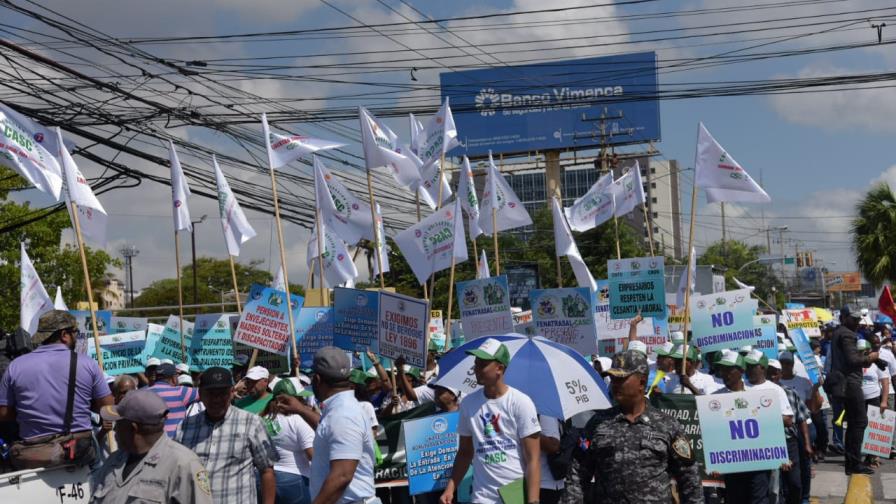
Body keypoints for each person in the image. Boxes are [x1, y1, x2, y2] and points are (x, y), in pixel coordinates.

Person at [563, 349, 703, 504]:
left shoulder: (667, 425)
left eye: (621, 379)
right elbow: (577, 475)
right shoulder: (597, 424)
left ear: (642, 382)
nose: (614, 384)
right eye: (612, 378)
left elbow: (689, 478)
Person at [0, 311, 113, 468]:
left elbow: (4, 413)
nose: (77, 337)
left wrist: (29, 412)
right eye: (76, 332)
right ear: (64, 334)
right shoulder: (87, 364)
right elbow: (108, 407)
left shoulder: (15, 366)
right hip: (79, 453)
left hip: (33, 455)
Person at [440, 338, 541, 504]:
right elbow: (465, 452)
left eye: (482, 364)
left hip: (515, 494)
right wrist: (451, 487)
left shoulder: (521, 402)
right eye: (476, 363)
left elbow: (533, 458)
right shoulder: (468, 404)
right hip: (482, 496)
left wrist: (533, 500)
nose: (476, 369)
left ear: (499, 368)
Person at [175, 366, 277, 504]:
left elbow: (267, 471)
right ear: (200, 393)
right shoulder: (185, 427)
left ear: (231, 392)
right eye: (211, 393)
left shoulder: (252, 423)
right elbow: (176, 472)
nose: (216, 399)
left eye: (222, 393)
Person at [91, 388, 212, 503]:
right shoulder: (113, 461)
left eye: (119, 423)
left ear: (133, 428)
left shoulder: (184, 465)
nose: (115, 429)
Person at [308, 347, 379, 504]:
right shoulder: (342, 409)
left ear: (317, 379)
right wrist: (300, 409)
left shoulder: (343, 414)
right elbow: (327, 429)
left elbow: (342, 475)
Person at [711, 349, 771, 503]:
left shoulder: (757, 396)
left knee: (758, 500)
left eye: (729, 369)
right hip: (732, 465)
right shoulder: (714, 399)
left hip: (758, 463)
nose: (724, 373)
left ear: (741, 371)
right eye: (722, 369)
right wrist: (714, 462)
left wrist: (779, 456)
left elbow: (770, 430)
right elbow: (713, 434)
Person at [829, 306, 878, 474]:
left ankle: (851, 463)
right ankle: (854, 463)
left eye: (858, 319)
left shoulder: (838, 332)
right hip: (850, 383)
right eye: (854, 319)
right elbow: (853, 359)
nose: (857, 322)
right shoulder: (847, 334)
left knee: (853, 424)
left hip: (844, 383)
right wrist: (869, 358)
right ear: (844, 317)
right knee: (859, 422)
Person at [261, 377, 316, 504]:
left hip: (264, 480)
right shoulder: (298, 420)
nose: (303, 401)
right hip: (294, 481)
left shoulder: (261, 418)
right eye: (300, 398)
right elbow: (312, 455)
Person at [768, 359, 811, 504]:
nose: (771, 377)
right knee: (774, 484)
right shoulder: (756, 394)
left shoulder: (790, 393)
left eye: (774, 374)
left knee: (794, 483)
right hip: (768, 443)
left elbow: (802, 419)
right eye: (768, 373)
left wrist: (807, 443)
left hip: (789, 442)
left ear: (780, 374)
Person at [149, 362, 199, 438]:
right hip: (174, 442)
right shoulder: (181, 392)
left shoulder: (143, 393)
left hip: (151, 442)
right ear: (173, 378)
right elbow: (205, 393)